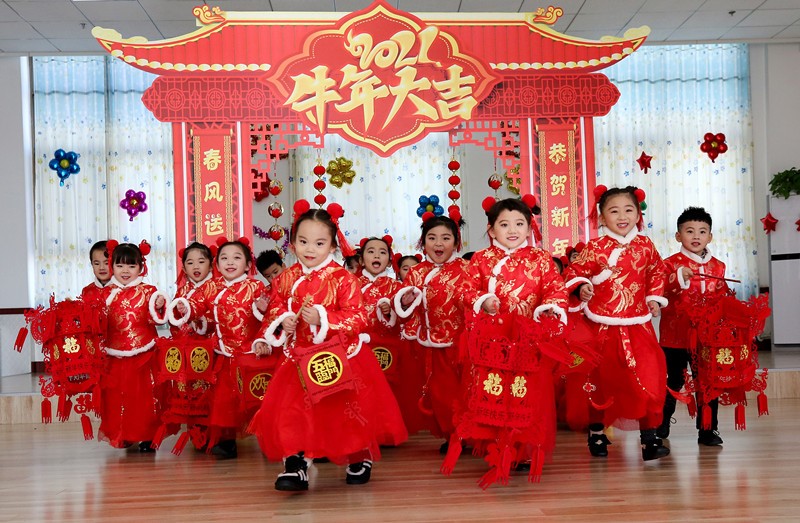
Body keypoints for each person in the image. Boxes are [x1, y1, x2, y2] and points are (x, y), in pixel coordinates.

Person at [251, 202, 407, 492]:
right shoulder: (286, 278)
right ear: (293, 241)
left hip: (338, 359)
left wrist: (323, 317)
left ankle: (358, 454)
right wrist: (279, 324)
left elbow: (359, 317)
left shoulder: (343, 279)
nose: (310, 249)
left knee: (343, 412)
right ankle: (296, 464)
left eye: (319, 243)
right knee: (293, 412)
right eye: (303, 241)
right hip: (297, 358)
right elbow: (275, 308)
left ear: (333, 245)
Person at [453, 196, 569, 484]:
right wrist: (482, 299)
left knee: (528, 393)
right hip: (493, 342)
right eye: (504, 224)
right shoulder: (480, 259)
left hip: (529, 339)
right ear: (492, 230)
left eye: (520, 224)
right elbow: (464, 291)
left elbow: (555, 288)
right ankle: (497, 445)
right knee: (496, 391)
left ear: (529, 228)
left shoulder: (541, 259)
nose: (513, 230)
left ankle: (525, 447)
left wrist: (551, 307)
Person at [562, 185, 670, 461]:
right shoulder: (595, 248)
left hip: (638, 325)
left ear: (637, 215)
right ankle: (597, 432)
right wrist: (582, 287)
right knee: (601, 379)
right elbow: (573, 272)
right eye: (614, 210)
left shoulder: (646, 245)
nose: (622, 215)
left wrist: (654, 297)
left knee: (648, 376)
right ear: (601, 218)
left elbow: (657, 271)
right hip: (601, 325)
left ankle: (650, 438)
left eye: (628, 209)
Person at [169, 238, 268, 459]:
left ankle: (267, 436)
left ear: (248, 264)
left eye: (236, 258)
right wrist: (186, 307)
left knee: (255, 399)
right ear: (217, 264)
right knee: (224, 400)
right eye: (224, 258)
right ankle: (225, 440)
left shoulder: (256, 286)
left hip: (251, 355)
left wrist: (263, 312)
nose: (230, 263)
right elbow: (199, 307)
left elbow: (269, 317)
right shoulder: (212, 286)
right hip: (224, 354)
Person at [394, 213, 471, 454]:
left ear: (456, 243)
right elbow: (406, 305)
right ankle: (452, 434)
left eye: (446, 238)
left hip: (462, 343)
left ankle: (467, 433)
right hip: (430, 344)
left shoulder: (467, 269)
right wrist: (403, 301)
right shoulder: (416, 272)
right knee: (441, 393)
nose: (438, 244)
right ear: (422, 242)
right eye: (432, 237)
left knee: (466, 390)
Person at [658, 207, 728, 446]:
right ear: (678, 236)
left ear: (710, 236)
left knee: (707, 382)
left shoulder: (718, 266)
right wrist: (678, 277)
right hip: (674, 336)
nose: (696, 236)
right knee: (672, 381)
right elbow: (659, 292)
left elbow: (721, 299)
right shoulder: (669, 264)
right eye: (689, 231)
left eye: (702, 231)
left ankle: (708, 430)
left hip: (707, 338)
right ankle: (661, 423)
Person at [98, 240, 169, 451]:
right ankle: (124, 435)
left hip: (144, 352)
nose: (125, 271)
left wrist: (159, 306)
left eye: (131, 265)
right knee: (117, 397)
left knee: (145, 398)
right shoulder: (105, 293)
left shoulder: (149, 291)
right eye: (120, 266)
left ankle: (148, 436)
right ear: (112, 267)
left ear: (141, 267)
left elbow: (157, 319)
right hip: (114, 354)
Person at [359, 235, 428, 435]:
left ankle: (385, 431)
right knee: (363, 390)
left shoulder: (395, 287)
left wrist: (394, 309)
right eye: (371, 251)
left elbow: (406, 318)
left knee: (387, 391)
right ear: (362, 259)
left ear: (389, 260)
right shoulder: (350, 284)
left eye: (382, 252)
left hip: (388, 348)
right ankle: (363, 431)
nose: (376, 255)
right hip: (360, 347)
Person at [80, 240, 110, 306]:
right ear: (92, 264)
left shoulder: (123, 289)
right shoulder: (87, 291)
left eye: (106, 263)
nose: (101, 267)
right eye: (96, 263)